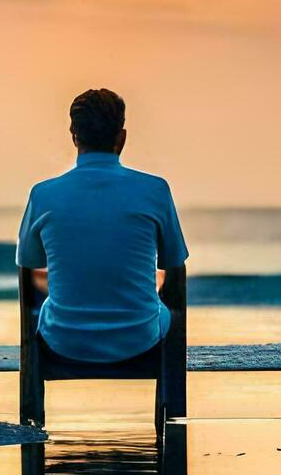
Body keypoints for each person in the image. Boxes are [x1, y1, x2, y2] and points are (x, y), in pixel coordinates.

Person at [17, 88, 188, 364]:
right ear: (121, 137)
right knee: (162, 309)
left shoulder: (43, 195)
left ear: (74, 136)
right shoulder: (155, 190)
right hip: (140, 338)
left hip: (63, 340)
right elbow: (174, 266)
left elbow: (29, 264)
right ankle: (172, 398)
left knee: (43, 302)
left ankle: (34, 394)